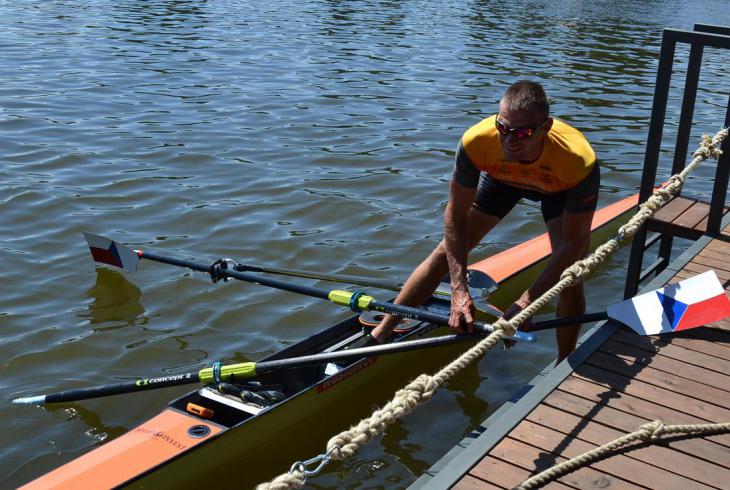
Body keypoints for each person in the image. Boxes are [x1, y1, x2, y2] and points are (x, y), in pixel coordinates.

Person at [371, 80, 599, 361]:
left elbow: (574, 242)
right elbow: (455, 214)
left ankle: (566, 361)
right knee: (445, 252)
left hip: (558, 188)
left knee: (571, 275)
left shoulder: (577, 160)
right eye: (502, 128)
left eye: (522, 132)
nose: (510, 140)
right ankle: (380, 334)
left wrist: (527, 303)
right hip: (503, 180)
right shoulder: (477, 141)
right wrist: (458, 290)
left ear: (545, 128)